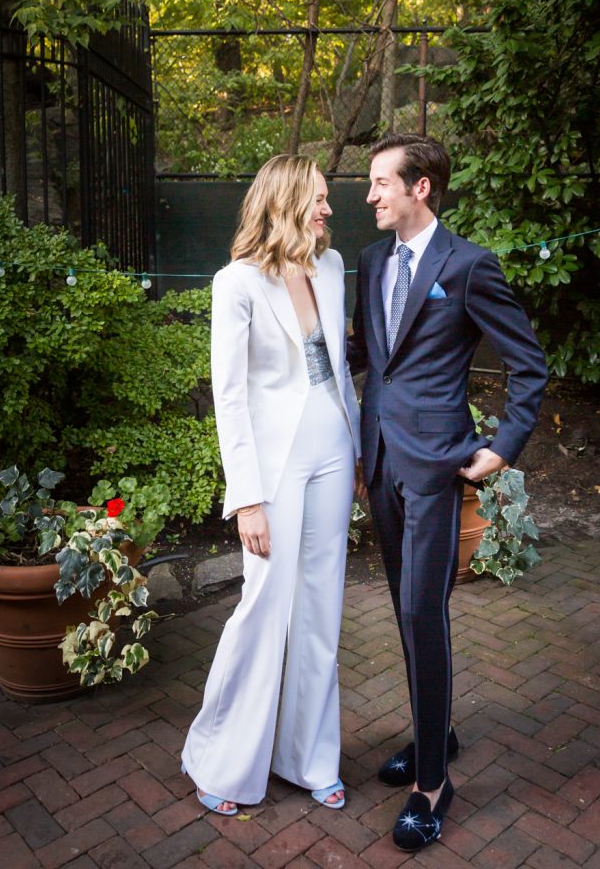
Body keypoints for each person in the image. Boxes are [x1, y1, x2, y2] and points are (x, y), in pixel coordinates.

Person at [347, 133, 547, 852]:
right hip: (380, 462)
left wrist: (500, 446)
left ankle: (431, 783)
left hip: (436, 468)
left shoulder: (467, 266)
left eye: (379, 183)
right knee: (405, 613)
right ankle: (439, 733)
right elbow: (370, 356)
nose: (368, 196)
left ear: (419, 188)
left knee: (418, 610)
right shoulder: (369, 263)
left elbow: (528, 365)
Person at [182, 154, 360, 814]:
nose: (328, 209)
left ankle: (309, 758)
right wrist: (247, 498)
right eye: (317, 199)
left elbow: (338, 372)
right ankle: (223, 762)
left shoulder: (333, 268)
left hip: (334, 454)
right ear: (284, 201)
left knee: (320, 608)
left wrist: (362, 449)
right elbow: (229, 398)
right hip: (275, 467)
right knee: (265, 607)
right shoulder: (236, 283)